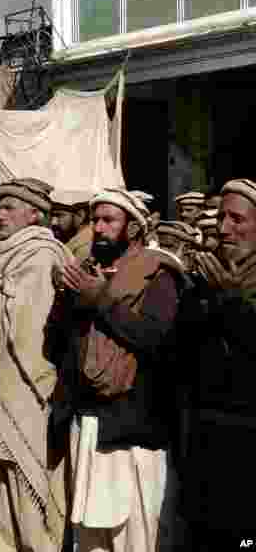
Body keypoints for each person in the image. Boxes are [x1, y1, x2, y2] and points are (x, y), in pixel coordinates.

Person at [51, 189, 184, 552]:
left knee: (134, 534)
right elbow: (61, 346)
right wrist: (66, 300)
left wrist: (102, 301)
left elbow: (158, 339)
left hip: (133, 428)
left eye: (109, 220)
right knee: (91, 535)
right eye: (95, 220)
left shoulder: (158, 274)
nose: (98, 228)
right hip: (88, 422)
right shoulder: (88, 271)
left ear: (133, 228)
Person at [0, 178, 69, 552]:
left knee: (28, 488)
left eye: (9, 207)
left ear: (34, 214)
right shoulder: (1, 253)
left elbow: (29, 327)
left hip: (25, 390)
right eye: (0, 206)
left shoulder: (42, 254)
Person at [183, 179, 256, 548]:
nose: (224, 228)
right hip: (206, 440)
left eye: (237, 219)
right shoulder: (206, 278)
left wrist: (231, 304)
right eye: (222, 218)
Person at [50, 190, 94, 262]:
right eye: (52, 216)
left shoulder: (84, 247)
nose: (53, 222)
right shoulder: (76, 242)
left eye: (59, 215)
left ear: (80, 215)